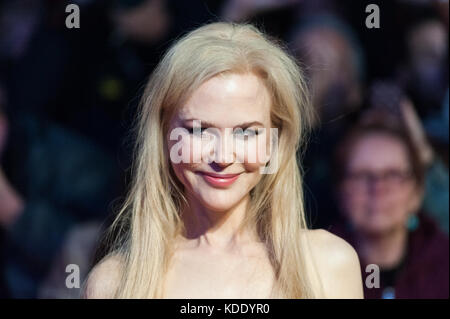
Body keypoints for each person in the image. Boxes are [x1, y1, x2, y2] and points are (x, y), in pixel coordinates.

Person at [83, 22, 363, 299]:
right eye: (199, 130)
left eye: (246, 132)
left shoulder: (328, 265)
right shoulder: (114, 283)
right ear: (165, 135)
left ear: (273, 144)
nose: (223, 157)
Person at [331, 117, 449, 298]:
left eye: (393, 175)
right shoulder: (313, 264)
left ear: (416, 193)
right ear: (341, 190)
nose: (378, 189)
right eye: (363, 175)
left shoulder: (444, 264)